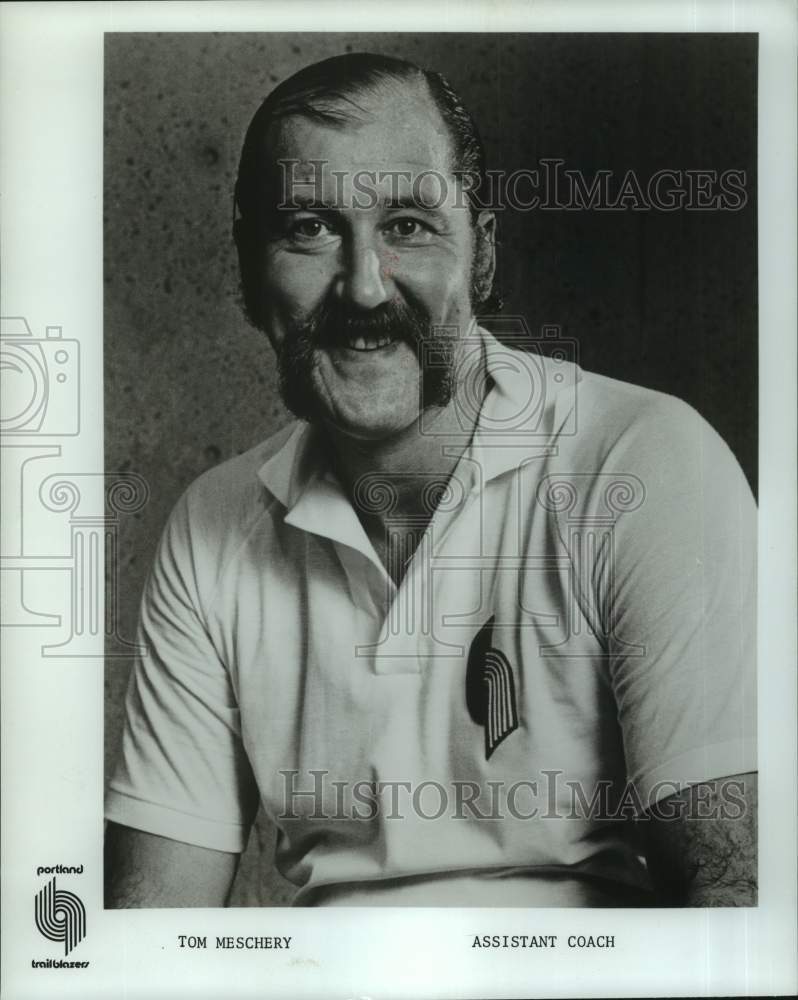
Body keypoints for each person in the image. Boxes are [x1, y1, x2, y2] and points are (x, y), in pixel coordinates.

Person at [104, 52, 757, 907]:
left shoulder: (642, 460)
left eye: (408, 224)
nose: (365, 288)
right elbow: (155, 937)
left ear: (482, 255)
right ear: (247, 271)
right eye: (310, 227)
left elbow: (737, 904)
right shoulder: (214, 523)